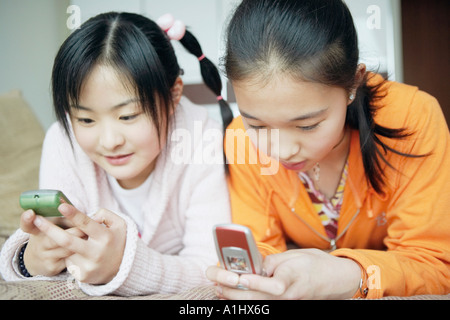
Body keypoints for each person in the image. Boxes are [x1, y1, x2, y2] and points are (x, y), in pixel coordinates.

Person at [206, 0, 450, 299]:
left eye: (307, 125)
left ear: (353, 83)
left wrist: (351, 273)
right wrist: (254, 281)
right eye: (257, 125)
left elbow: (435, 263)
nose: (281, 151)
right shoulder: (239, 139)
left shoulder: (413, 116)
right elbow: (260, 246)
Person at [0, 12, 232, 296]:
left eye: (128, 116)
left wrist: (123, 266)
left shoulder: (202, 139)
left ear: (173, 97)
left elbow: (212, 267)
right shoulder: (63, 141)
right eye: (86, 120)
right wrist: (30, 260)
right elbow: (57, 243)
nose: (109, 141)